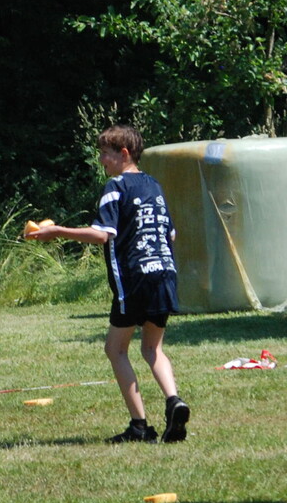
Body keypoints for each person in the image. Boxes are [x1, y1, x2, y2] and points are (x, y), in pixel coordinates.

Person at [27, 125, 189, 443]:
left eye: (105, 153)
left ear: (123, 154)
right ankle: (174, 401)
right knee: (152, 348)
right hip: (165, 274)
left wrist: (57, 231)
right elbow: (171, 234)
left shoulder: (116, 186)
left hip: (135, 278)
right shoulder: (154, 186)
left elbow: (102, 234)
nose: (101, 160)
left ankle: (139, 426)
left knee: (115, 349)